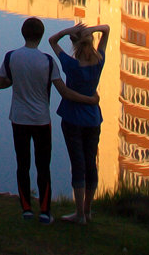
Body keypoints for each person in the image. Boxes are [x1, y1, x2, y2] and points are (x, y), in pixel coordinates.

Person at [0, 17, 100, 224]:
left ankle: (26, 208)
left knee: (22, 164)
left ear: (23, 34)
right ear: (41, 36)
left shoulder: (11, 57)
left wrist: (16, 79)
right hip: (41, 120)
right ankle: (44, 211)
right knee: (43, 165)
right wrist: (90, 99)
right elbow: (64, 92)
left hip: (19, 118)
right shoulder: (47, 61)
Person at [49, 22, 110, 225]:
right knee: (90, 162)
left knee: (78, 163)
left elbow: (52, 41)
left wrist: (67, 31)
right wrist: (89, 32)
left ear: (74, 44)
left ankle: (79, 214)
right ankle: (88, 210)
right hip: (93, 118)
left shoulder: (71, 65)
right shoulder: (99, 61)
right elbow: (107, 29)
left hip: (73, 118)